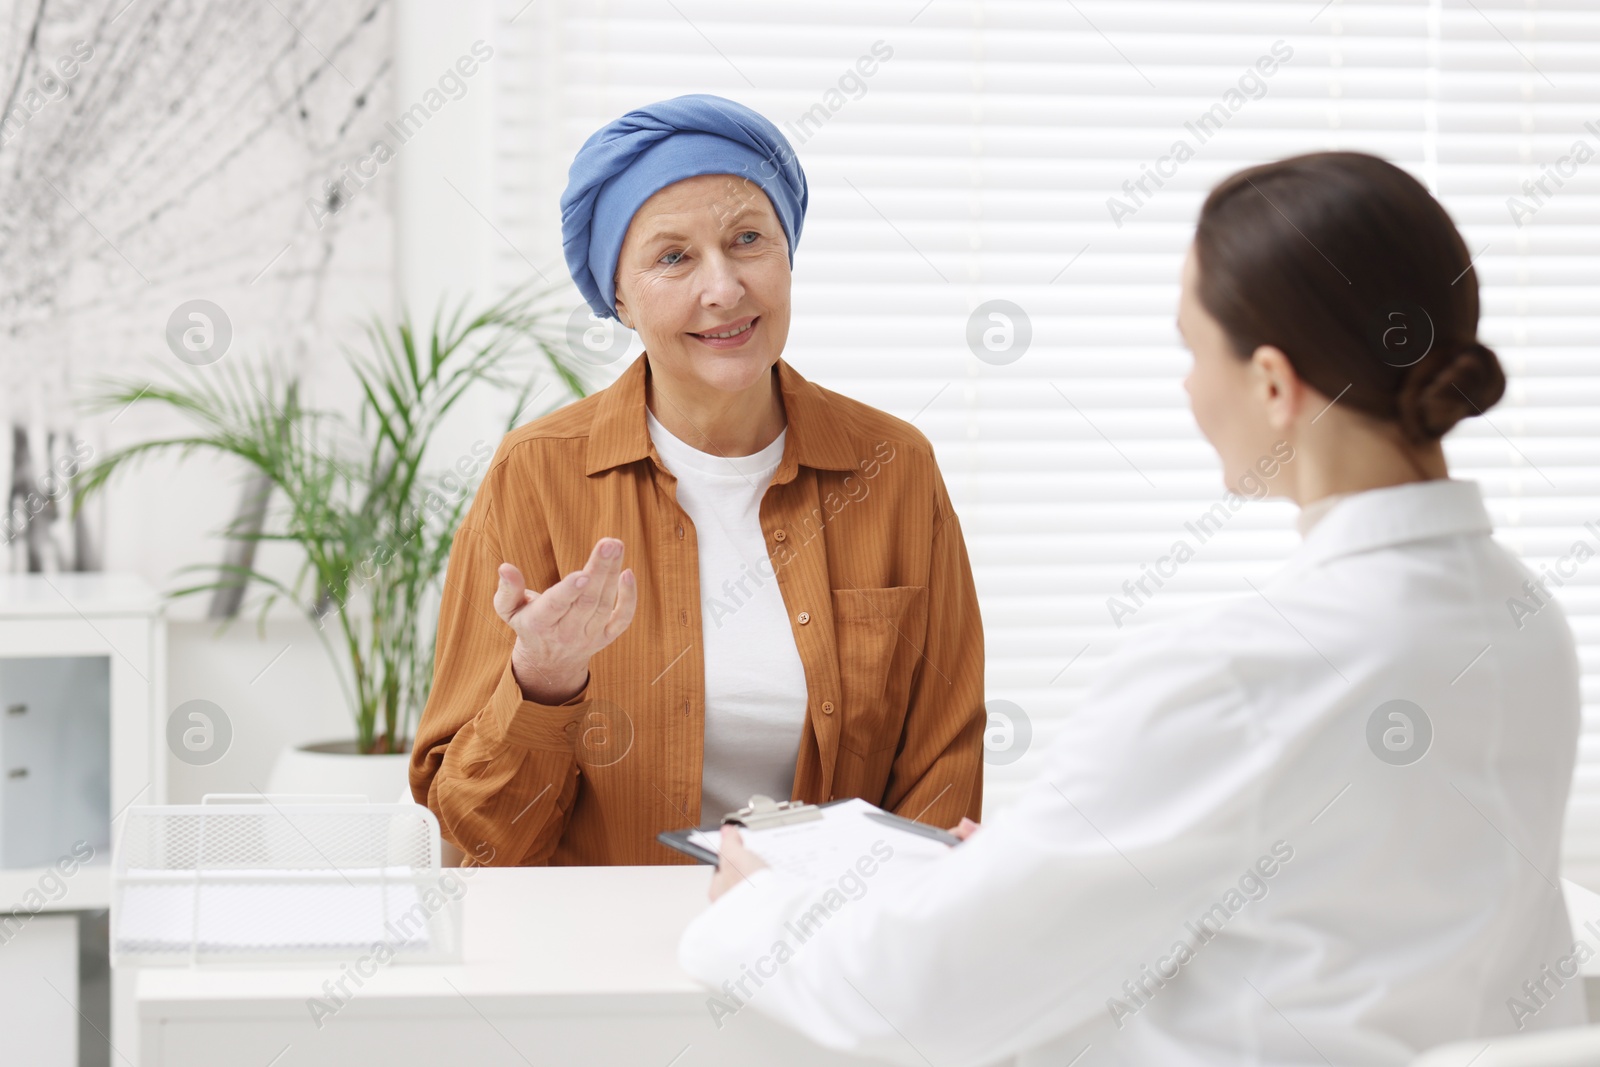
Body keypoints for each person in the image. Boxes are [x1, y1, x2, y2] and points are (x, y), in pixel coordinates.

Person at [679, 151, 1584, 1064]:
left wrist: (764, 908)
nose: (1189, 386)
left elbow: (925, 996)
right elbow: (1342, 909)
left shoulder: (1251, 668)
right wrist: (1039, 869)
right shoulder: (1521, 618)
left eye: (1194, 350)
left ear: (1272, 383)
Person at [409, 95, 986, 866]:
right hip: (602, 961)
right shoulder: (535, 477)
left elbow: (943, 771)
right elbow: (477, 829)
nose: (723, 288)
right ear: (618, 295)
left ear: (787, 253)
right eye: (673, 257)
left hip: (827, 957)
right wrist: (541, 683)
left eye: (748, 239)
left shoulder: (894, 468)